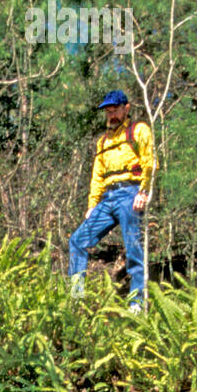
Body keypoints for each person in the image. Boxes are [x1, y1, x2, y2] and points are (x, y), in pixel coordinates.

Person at [68, 90, 157, 313]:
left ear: (126, 108)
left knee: (133, 249)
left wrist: (143, 192)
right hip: (108, 198)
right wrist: (91, 206)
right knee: (77, 241)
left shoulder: (139, 130)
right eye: (108, 111)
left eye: (115, 109)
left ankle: (136, 304)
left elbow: (149, 163)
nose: (111, 114)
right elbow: (97, 175)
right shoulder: (103, 141)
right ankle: (75, 298)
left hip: (131, 193)